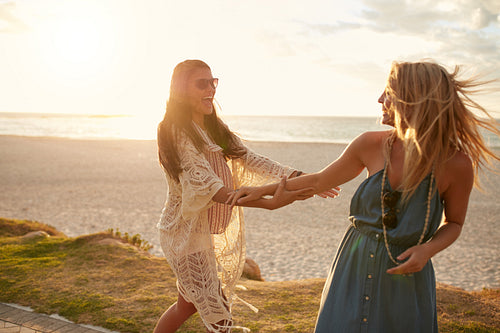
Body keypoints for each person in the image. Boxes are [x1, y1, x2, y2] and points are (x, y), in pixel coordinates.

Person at [229, 60, 499, 332]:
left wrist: (427, 250)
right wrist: (262, 190)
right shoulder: (370, 144)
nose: (380, 99)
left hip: (405, 274)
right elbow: (320, 181)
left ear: (413, 100)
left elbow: (454, 223)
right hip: (353, 264)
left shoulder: (456, 163)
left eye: (389, 92)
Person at [153, 59, 330, 333]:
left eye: (213, 82)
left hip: (200, 232)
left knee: (185, 306)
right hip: (184, 234)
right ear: (180, 90)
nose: (211, 88)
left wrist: (299, 178)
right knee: (219, 315)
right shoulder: (175, 131)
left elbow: (250, 159)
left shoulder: (214, 128)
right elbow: (215, 190)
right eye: (202, 83)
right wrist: (272, 203)